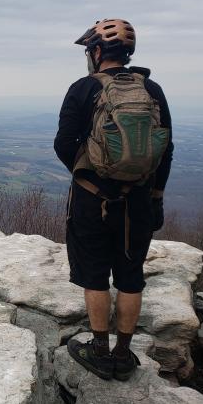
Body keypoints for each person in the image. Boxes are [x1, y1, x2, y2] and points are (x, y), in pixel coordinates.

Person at [54, 19, 173, 381]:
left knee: (94, 275)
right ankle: (123, 353)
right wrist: (155, 197)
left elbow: (63, 143)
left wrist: (89, 170)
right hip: (138, 201)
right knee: (130, 275)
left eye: (90, 51)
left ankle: (100, 351)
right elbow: (165, 150)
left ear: (98, 52)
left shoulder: (83, 89)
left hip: (92, 201)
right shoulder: (151, 90)